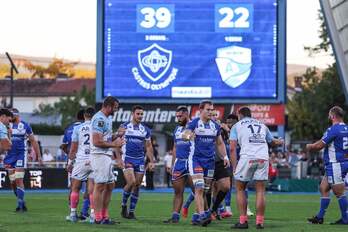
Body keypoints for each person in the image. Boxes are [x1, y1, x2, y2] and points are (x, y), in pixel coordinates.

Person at [230, 107, 283, 229]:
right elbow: (272, 141)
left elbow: (232, 148)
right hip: (263, 158)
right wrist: (280, 142)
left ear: (239, 115)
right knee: (260, 190)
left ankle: (243, 222)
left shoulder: (236, 126)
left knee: (240, 188)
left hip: (247, 157)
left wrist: (234, 167)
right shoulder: (262, 125)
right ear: (250, 115)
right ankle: (259, 222)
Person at [182, 100, 229, 226]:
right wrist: (188, 137)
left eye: (212, 109)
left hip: (210, 162)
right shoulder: (194, 123)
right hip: (196, 160)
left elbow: (219, 143)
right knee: (199, 187)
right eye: (208, 109)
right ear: (201, 110)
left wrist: (225, 157)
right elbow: (185, 134)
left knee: (206, 191)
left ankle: (196, 216)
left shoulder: (215, 126)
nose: (211, 112)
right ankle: (203, 216)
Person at [306, 106, 348, 225]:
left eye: (330, 115)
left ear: (333, 116)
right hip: (342, 162)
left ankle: (346, 218)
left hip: (336, 164)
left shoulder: (333, 129)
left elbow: (319, 145)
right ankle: (320, 217)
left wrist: (310, 146)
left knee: (339, 192)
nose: (329, 117)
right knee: (324, 188)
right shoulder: (346, 128)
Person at [90, 96, 125, 224]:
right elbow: (97, 141)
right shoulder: (99, 119)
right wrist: (115, 144)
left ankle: (104, 215)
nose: (116, 110)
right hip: (99, 155)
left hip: (106, 155)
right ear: (108, 106)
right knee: (99, 186)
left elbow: (107, 138)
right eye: (115, 107)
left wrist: (117, 135)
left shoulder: (107, 119)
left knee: (110, 185)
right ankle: (97, 217)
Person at [3, 108, 42, 212]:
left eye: (12, 115)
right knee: (13, 182)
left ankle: (20, 204)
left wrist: (39, 156)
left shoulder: (25, 125)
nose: (10, 117)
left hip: (21, 155)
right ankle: (21, 200)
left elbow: (33, 141)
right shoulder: (5, 126)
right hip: (9, 156)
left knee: (19, 179)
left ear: (17, 115)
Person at [120, 105, 155, 219]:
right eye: (138, 114)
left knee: (137, 186)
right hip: (127, 158)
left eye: (141, 114)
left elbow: (149, 146)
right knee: (131, 182)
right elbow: (116, 141)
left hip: (140, 160)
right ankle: (123, 206)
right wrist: (117, 158)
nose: (140, 116)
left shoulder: (145, 129)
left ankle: (131, 212)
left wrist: (151, 161)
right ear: (133, 114)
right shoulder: (124, 126)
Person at [163, 106, 193, 223]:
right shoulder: (177, 130)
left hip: (191, 161)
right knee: (177, 191)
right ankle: (175, 217)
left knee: (197, 191)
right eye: (177, 117)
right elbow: (175, 147)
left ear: (187, 114)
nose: (178, 118)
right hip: (179, 163)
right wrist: (172, 164)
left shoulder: (194, 126)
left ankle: (202, 214)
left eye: (180, 116)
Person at [66, 107, 95, 223]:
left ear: (84, 116)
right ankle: (93, 216)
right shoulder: (97, 127)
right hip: (94, 161)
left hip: (81, 161)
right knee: (92, 190)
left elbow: (73, 149)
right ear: (94, 116)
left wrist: (70, 163)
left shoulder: (78, 128)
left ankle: (73, 214)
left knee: (75, 188)